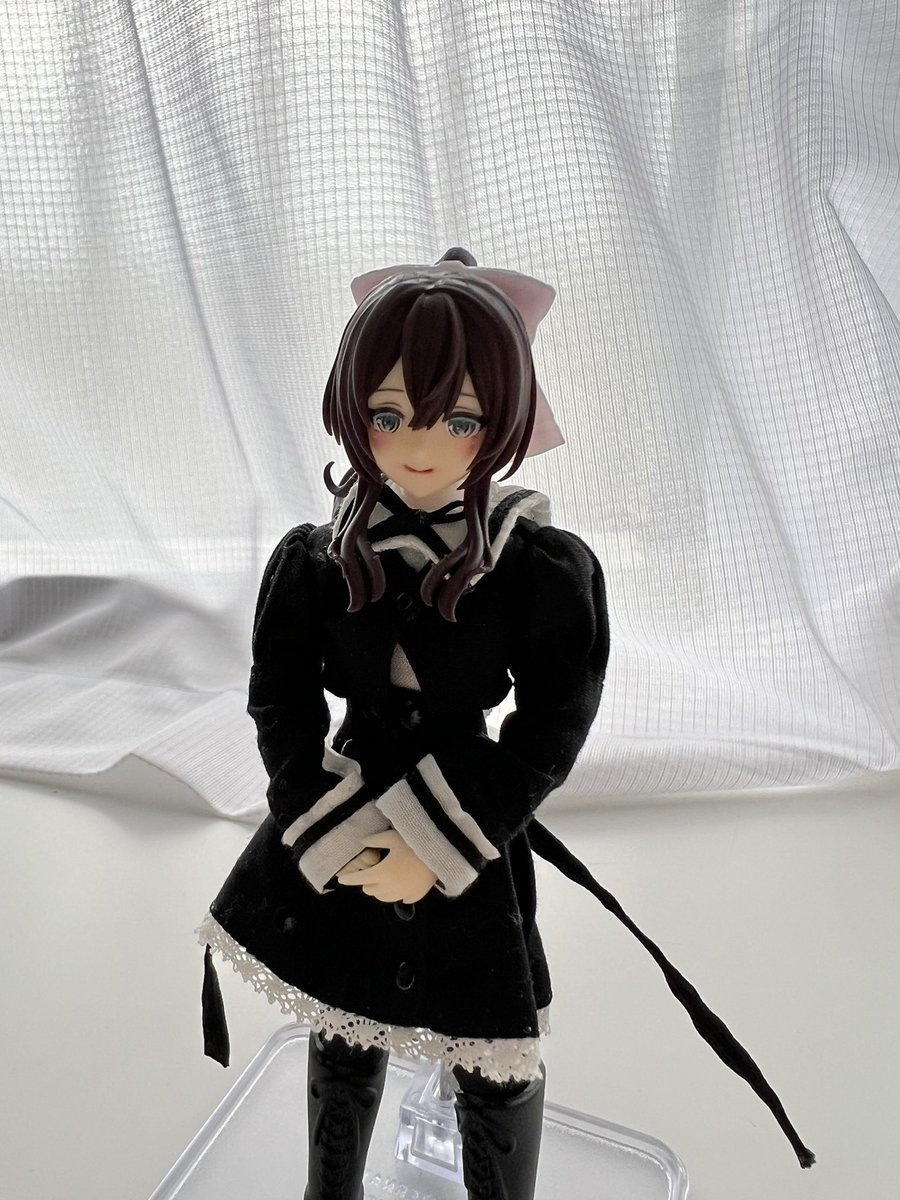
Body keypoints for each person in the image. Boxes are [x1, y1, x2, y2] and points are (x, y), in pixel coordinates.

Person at [198, 249, 814, 1199]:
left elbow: (553, 722)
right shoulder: (317, 559)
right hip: (346, 814)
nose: (420, 445)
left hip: (465, 824)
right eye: (389, 415)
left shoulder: (536, 568)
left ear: (505, 424)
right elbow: (279, 697)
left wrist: (435, 844)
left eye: (459, 420)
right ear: (353, 413)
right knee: (342, 1024)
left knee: (493, 1051)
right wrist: (325, 822)